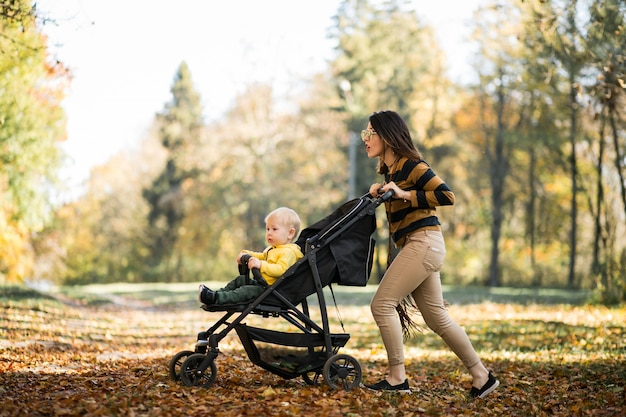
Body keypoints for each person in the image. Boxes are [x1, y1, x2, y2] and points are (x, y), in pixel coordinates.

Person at [362, 110, 499, 398]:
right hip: (421, 245)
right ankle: (482, 376)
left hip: (423, 243)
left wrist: (403, 194)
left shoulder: (412, 165)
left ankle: (397, 378)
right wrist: (381, 193)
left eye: (371, 132)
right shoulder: (391, 172)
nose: (366, 138)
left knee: (382, 304)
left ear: (387, 135)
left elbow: (447, 195)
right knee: (437, 317)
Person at [198, 207, 304, 306]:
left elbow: (281, 270)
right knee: (241, 280)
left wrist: (261, 265)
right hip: (262, 285)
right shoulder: (273, 249)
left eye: (274, 229)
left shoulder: (289, 252)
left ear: (290, 233)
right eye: (267, 229)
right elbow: (262, 256)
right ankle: (215, 295)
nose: (269, 233)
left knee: (245, 291)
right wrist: (246, 253)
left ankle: (217, 298)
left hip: (272, 290)